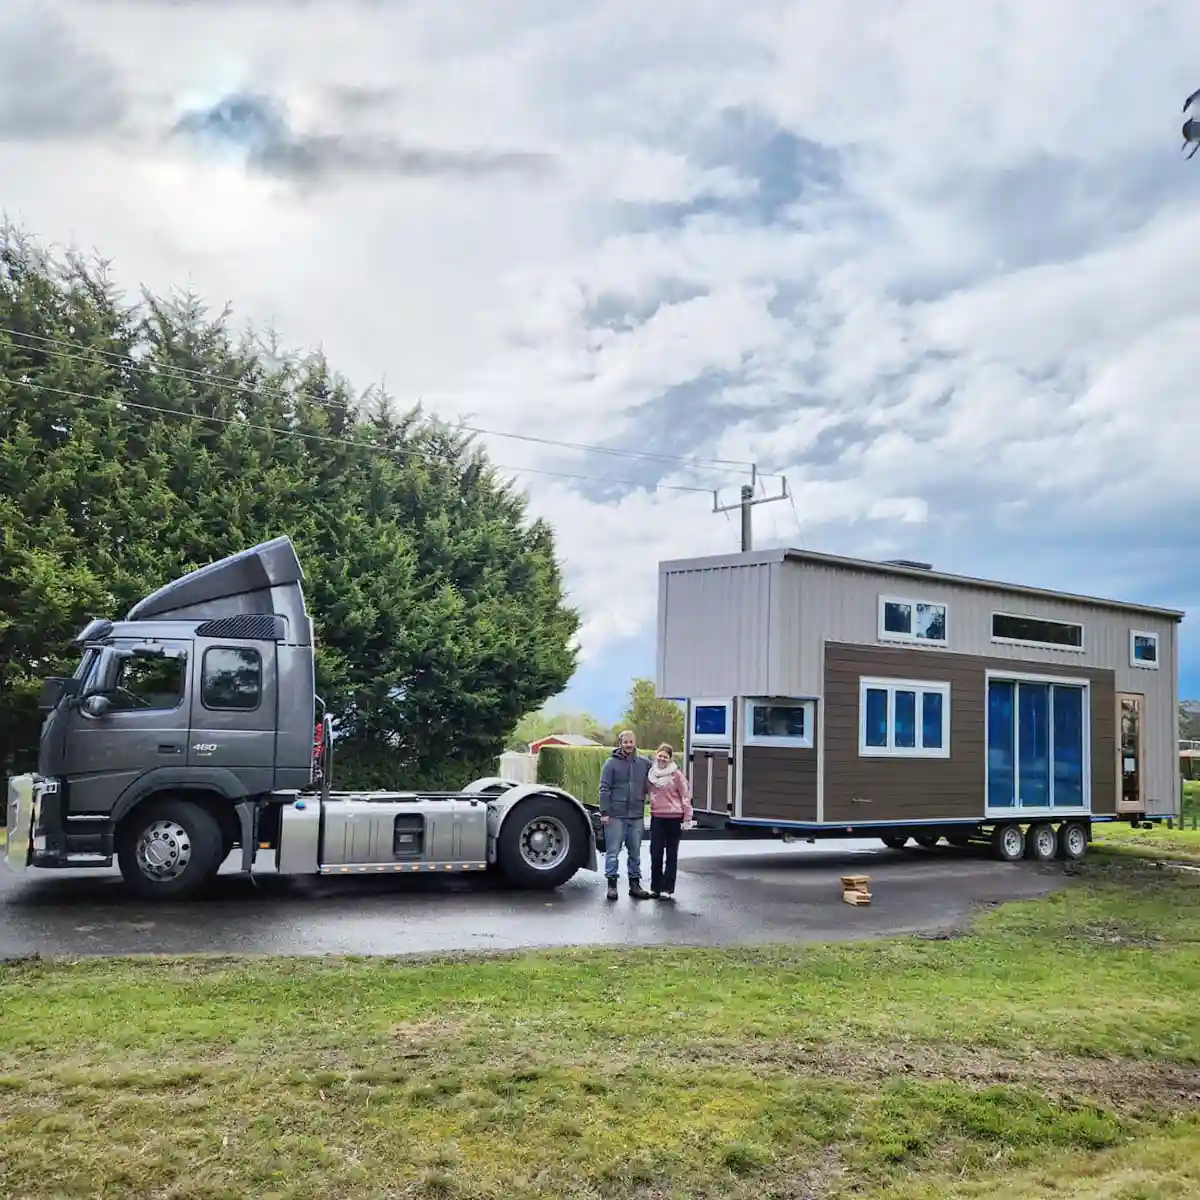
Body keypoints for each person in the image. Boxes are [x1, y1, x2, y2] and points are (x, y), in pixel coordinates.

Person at [598, 729, 652, 901]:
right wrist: (604, 812)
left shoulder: (644, 763)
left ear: (635, 742)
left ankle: (635, 885)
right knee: (613, 852)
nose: (628, 745)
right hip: (615, 815)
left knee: (635, 852)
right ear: (620, 743)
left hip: (636, 814)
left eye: (631, 742)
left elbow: (656, 780)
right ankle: (612, 885)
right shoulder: (610, 764)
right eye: (625, 742)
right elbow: (604, 788)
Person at [646, 743, 692, 899]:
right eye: (660, 755)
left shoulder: (676, 775)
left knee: (671, 854)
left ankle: (668, 889)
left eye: (665, 756)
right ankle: (655, 888)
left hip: (674, 818)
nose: (662, 758)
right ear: (656, 755)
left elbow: (685, 796)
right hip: (657, 817)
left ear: (670, 759)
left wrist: (687, 817)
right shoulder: (651, 775)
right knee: (656, 853)